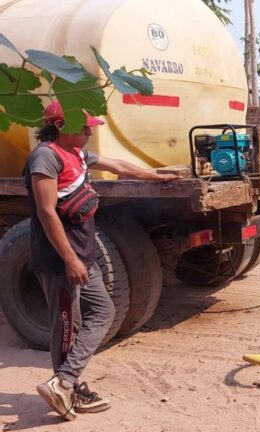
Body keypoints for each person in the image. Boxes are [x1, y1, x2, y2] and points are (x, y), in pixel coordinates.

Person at [25, 101, 180, 421]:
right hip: (60, 260)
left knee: (102, 312)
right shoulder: (46, 156)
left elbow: (119, 166)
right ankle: (67, 384)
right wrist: (69, 259)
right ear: (59, 126)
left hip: (84, 254)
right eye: (82, 126)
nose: (88, 130)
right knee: (67, 327)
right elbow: (46, 211)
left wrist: (157, 177)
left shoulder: (78, 154)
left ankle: (65, 382)